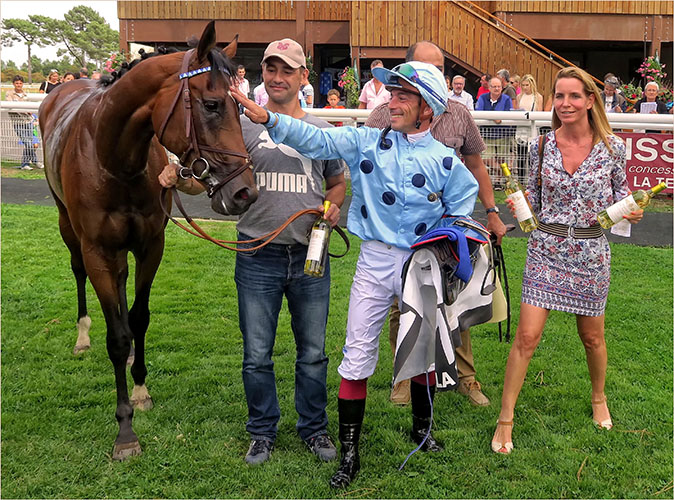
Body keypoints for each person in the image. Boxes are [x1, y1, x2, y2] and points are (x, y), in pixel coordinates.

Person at [232, 60, 479, 489]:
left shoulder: (446, 161)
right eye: (391, 93)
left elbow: (463, 205)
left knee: (420, 350)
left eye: (403, 95)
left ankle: (422, 429)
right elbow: (316, 137)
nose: (391, 100)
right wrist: (270, 119)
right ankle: (349, 454)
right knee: (357, 354)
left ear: (428, 108)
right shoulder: (365, 140)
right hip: (374, 261)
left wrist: (452, 237)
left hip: (420, 263)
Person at [159, 38, 346, 466]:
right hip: (256, 255)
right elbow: (202, 183)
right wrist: (177, 178)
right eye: (271, 70)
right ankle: (262, 431)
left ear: (303, 77)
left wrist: (334, 205)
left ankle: (313, 429)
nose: (278, 78)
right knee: (256, 355)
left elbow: (336, 182)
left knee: (313, 352)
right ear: (263, 73)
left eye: (287, 71)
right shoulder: (238, 127)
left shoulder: (322, 131)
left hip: (308, 255)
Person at [490, 66, 643, 455]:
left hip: (591, 254)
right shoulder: (541, 146)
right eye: (559, 96)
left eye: (574, 96)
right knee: (526, 337)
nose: (566, 103)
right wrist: (519, 204)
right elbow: (535, 207)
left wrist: (632, 211)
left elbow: (621, 198)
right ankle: (505, 418)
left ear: (591, 100)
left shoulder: (612, 148)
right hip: (546, 249)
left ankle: (598, 397)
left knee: (592, 338)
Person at [366, 41, 506, 408]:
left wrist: (491, 211)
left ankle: (465, 376)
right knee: (404, 302)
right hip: (405, 232)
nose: (437, 77)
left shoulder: (459, 113)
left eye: (440, 69)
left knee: (456, 297)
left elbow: (476, 165)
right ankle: (405, 378)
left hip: (451, 226)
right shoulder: (385, 114)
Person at [476, 76, 515, 182]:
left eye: (499, 86)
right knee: (485, 158)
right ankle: (502, 173)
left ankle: (499, 181)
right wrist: (494, 117)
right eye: (494, 87)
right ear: (489, 87)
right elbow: (479, 112)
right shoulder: (483, 98)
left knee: (502, 158)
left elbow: (508, 113)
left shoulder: (506, 99)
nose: (497, 89)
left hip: (503, 134)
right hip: (487, 134)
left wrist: (499, 118)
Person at [5, 75, 39, 170]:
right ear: (13, 84)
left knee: (32, 143)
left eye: (20, 83)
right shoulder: (10, 94)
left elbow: (30, 107)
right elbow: (11, 106)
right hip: (18, 122)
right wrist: (25, 110)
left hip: (28, 121)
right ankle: (27, 164)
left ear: (22, 84)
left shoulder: (25, 95)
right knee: (28, 143)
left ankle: (32, 162)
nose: (18, 85)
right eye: (17, 83)